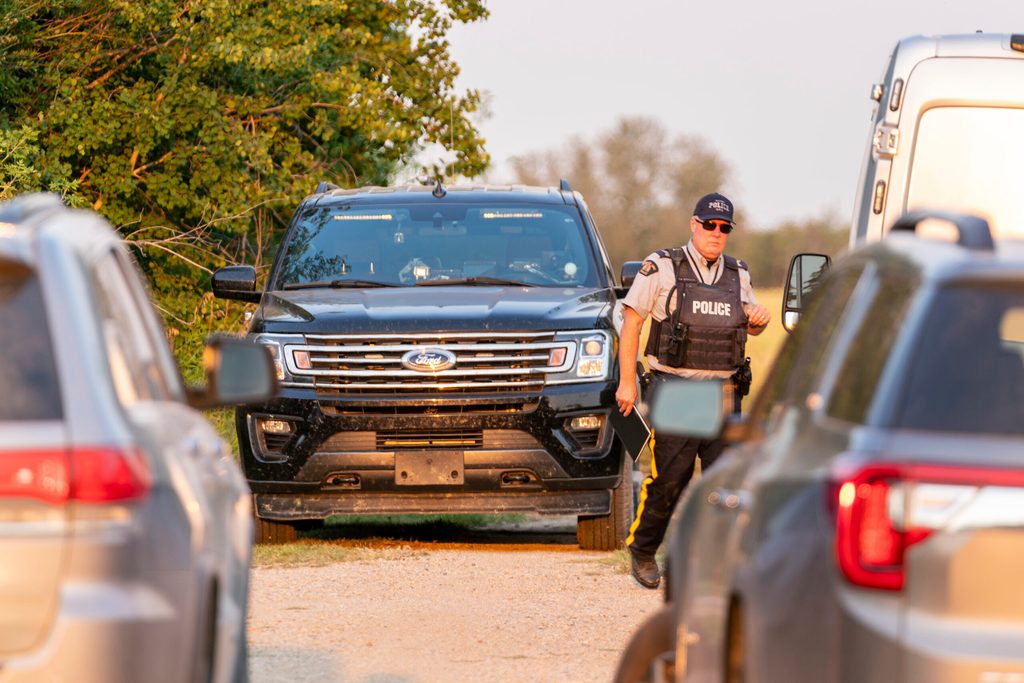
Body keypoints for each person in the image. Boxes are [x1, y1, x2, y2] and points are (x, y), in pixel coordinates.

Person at [616, 192, 771, 589]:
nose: (716, 234)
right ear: (693, 224)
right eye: (709, 225)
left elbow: (749, 325)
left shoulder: (739, 274)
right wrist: (627, 382)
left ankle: (714, 565)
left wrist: (759, 320)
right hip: (679, 391)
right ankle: (644, 550)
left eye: (724, 228)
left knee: (726, 486)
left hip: (724, 391)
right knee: (672, 479)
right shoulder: (663, 267)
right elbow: (632, 322)